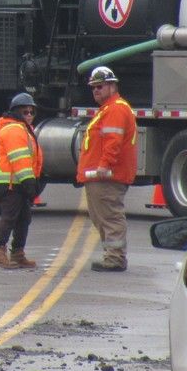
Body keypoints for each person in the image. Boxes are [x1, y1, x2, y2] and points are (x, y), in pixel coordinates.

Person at [76, 66, 137, 272]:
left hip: (107, 176)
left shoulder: (115, 109)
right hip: (101, 176)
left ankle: (115, 258)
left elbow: (113, 141)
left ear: (112, 86)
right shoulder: (109, 109)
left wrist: (104, 166)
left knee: (110, 216)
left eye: (100, 87)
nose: (96, 91)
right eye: (93, 88)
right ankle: (112, 256)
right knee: (102, 216)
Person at [0, 92, 43, 269]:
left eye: (31, 112)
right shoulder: (14, 129)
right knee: (10, 217)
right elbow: (19, 159)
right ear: (16, 112)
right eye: (25, 112)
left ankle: (18, 254)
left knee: (24, 218)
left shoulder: (23, 129)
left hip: (17, 182)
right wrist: (29, 182)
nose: (29, 115)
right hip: (10, 183)